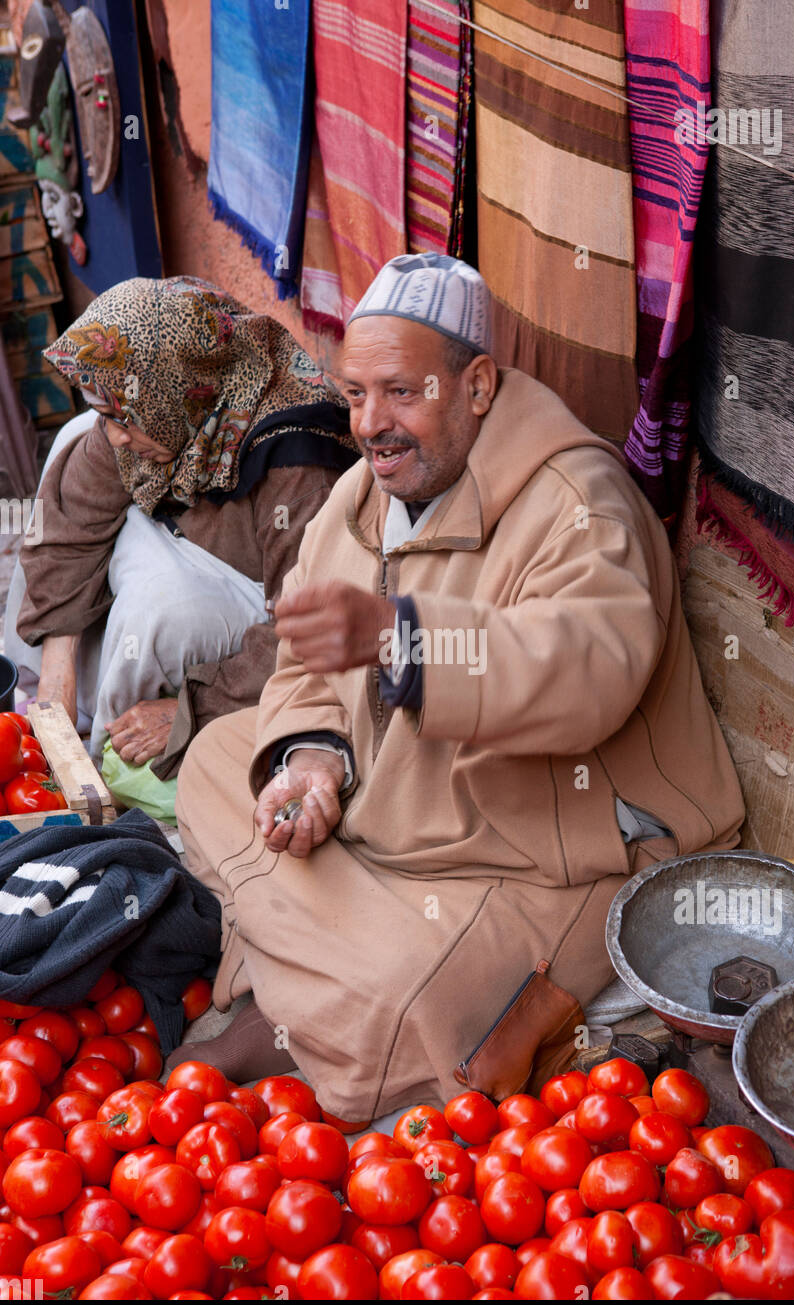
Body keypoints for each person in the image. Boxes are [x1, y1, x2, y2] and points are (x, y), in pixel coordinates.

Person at [171, 253, 745, 1121]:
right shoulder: (361, 496)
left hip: (545, 849)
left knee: (406, 1004)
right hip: (394, 807)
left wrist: (397, 638)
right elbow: (305, 673)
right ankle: (320, 971)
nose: (372, 425)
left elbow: (588, 670)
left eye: (402, 392)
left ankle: (291, 992)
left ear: (477, 386)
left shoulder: (581, 501)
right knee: (218, 760)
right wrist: (312, 760)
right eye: (356, 395)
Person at [6, 275, 358, 788]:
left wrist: (190, 709)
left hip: (269, 602)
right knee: (75, 438)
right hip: (182, 536)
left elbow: (308, 634)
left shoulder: (298, 465)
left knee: (164, 610)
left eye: (122, 418)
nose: (117, 435)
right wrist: (55, 683)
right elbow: (74, 517)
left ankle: (108, 758)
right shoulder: (152, 399)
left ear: (178, 389)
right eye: (111, 415)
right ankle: (64, 708)